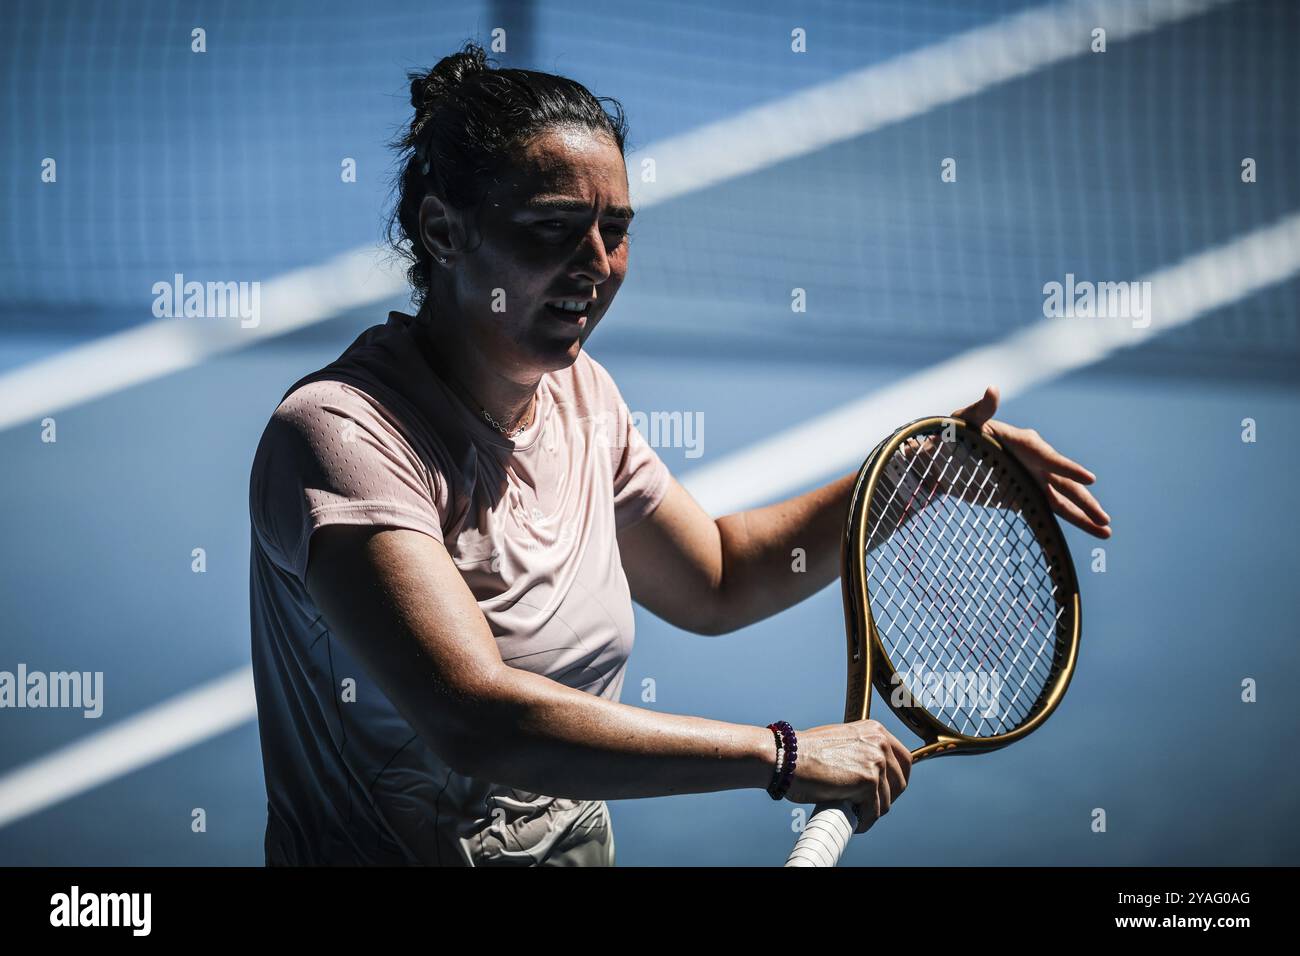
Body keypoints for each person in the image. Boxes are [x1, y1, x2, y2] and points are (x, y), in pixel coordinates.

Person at [247, 41, 1112, 866]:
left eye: (615, 228)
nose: (597, 263)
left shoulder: (582, 399)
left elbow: (717, 579)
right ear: (442, 230)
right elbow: (477, 717)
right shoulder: (341, 437)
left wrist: (909, 485)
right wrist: (780, 756)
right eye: (553, 227)